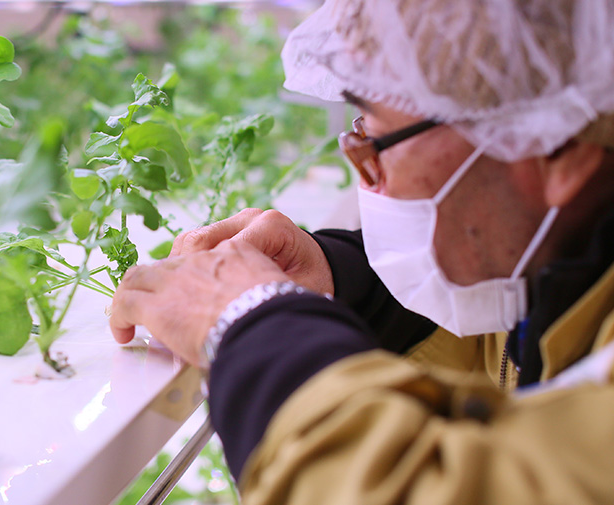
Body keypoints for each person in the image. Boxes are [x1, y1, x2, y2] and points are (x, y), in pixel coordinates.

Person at [109, 0, 614, 503]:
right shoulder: (564, 258)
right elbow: (504, 354)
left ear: (558, 150)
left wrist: (256, 326)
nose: (362, 169)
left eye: (377, 142)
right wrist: (340, 281)